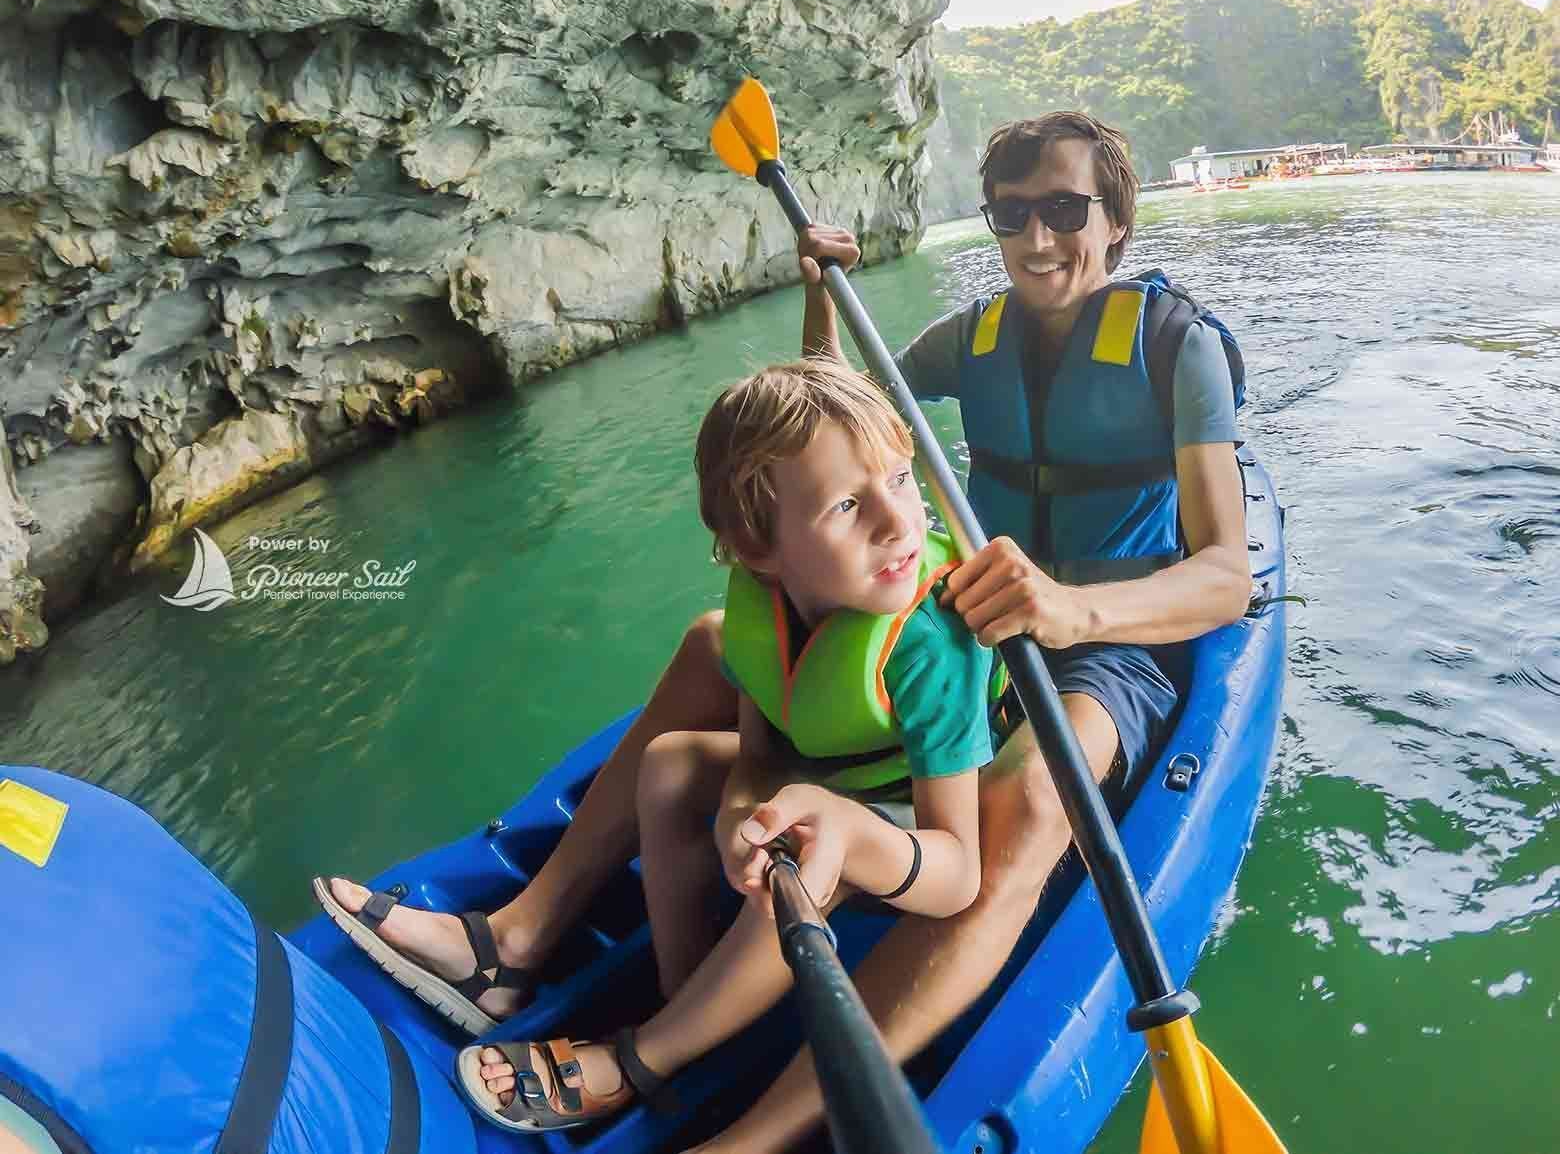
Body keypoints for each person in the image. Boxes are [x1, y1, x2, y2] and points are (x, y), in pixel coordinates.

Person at [314, 109, 1251, 1152]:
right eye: (1012, 214)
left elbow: (1224, 577)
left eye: (1066, 211)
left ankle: (755, 1133)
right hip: (966, 606)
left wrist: (1075, 610)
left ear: (1116, 219)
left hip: (1105, 641)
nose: (1038, 240)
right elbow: (828, 426)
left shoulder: (1180, 348)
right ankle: (518, 937)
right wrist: (820, 299)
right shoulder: (975, 340)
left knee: (1028, 797)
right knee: (718, 641)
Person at [446, 359, 1009, 1131]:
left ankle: (648, 1055)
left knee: (820, 860)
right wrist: (740, 810)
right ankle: (691, 1005)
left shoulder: (930, 647)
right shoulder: (767, 605)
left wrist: (844, 831)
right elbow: (761, 749)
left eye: (902, 480)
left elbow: (959, 875)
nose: (898, 522)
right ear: (759, 549)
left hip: (908, 807)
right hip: (829, 781)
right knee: (672, 767)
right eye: (848, 504)